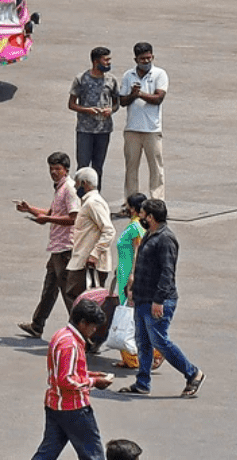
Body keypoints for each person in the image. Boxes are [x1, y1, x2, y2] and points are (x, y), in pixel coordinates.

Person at [119, 199, 203, 398]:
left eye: (143, 214)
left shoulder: (165, 239)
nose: (140, 218)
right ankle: (142, 382)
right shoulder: (151, 234)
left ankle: (193, 373)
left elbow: (167, 273)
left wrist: (159, 300)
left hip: (158, 301)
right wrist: (133, 291)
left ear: (151, 217)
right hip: (142, 298)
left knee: (159, 341)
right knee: (143, 342)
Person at [29, 299, 114, 460]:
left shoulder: (61, 335)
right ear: (82, 323)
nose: (94, 330)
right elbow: (66, 379)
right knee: (93, 455)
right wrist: (94, 382)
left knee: (48, 452)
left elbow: (69, 372)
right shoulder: (71, 345)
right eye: (93, 326)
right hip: (73, 408)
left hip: (55, 405)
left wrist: (93, 375)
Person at [16, 152, 80, 340]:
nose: (53, 172)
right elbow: (51, 212)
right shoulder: (59, 188)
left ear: (66, 170)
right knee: (49, 288)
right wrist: (30, 209)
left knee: (68, 293)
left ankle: (82, 332)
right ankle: (37, 325)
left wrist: (48, 219)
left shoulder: (69, 189)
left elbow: (73, 217)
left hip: (65, 248)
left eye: (57, 169)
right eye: (51, 168)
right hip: (56, 249)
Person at [111, 193, 161, 371]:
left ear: (133, 208)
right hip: (125, 272)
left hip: (129, 276)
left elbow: (138, 251)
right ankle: (149, 352)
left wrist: (132, 276)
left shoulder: (134, 226)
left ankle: (135, 357)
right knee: (132, 315)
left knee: (126, 316)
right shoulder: (138, 225)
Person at [118, 43, 168, 212]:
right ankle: (131, 203)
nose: (146, 61)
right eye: (142, 59)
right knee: (131, 167)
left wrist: (140, 94)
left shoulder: (160, 74)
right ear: (136, 60)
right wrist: (132, 94)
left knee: (156, 168)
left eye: (149, 58)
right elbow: (122, 101)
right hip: (132, 128)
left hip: (152, 129)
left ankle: (157, 202)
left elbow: (158, 98)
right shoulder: (128, 75)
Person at [65, 168, 115, 307]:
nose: (75, 187)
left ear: (84, 183)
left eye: (77, 184)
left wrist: (95, 254)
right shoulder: (88, 202)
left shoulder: (93, 203)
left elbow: (109, 231)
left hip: (88, 263)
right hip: (81, 260)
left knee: (81, 302)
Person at [68, 48, 121, 181]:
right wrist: (87, 110)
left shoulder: (111, 80)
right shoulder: (81, 79)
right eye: (106, 60)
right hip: (84, 130)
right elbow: (72, 104)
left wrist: (111, 110)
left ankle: (95, 197)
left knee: (98, 167)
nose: (108, 63)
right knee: (83, 167)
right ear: (96, 61)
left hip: (104, 130)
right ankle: (79, 197)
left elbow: (116, 103)